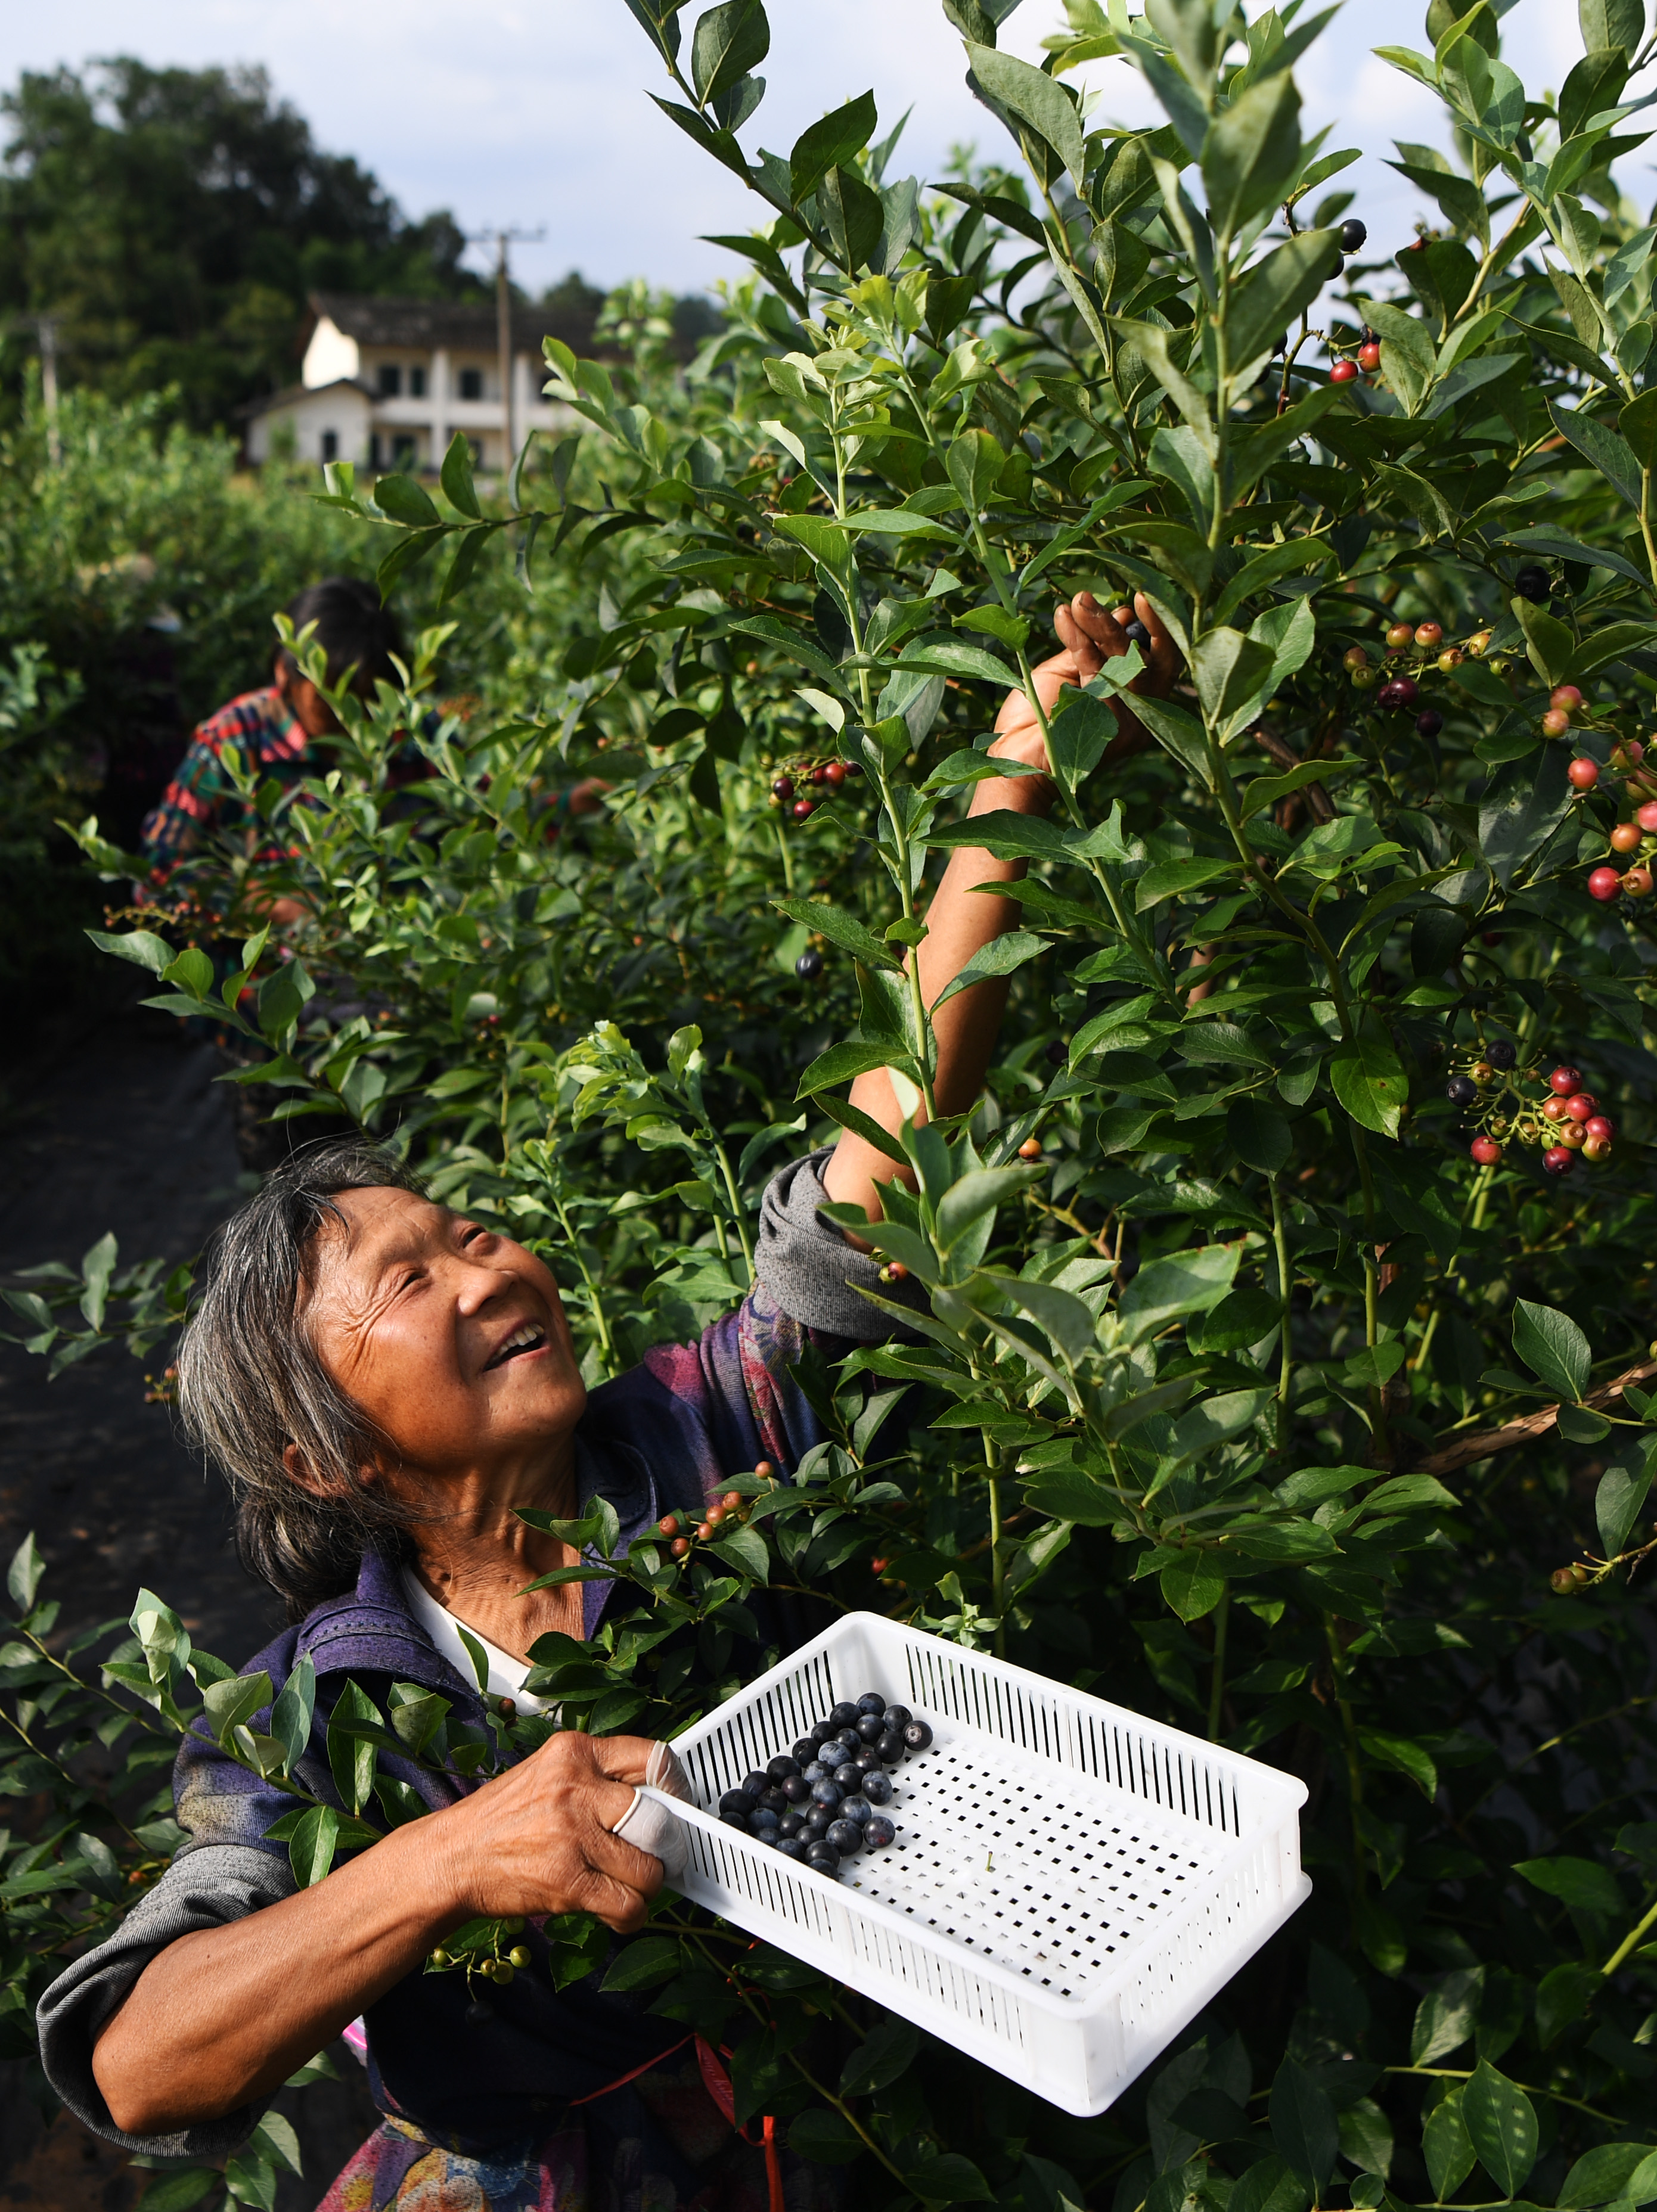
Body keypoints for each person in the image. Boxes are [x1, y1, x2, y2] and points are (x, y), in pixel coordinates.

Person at [39, 594, 1175, 2212]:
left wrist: (1027, 767)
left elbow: (904, 1113)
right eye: (412, 1283)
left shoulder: (722, 1427)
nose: (492, 1271)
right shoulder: (315, 1716)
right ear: (323, 1446)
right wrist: (436, 1861)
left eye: (474, 1233)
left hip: (859, 2130)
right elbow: (139, 2066)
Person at [138, 577, 406, 890]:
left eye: (367, 698)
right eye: (330, 695)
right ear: (284, 671)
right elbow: (160, 869)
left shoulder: (416, 738)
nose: (348, 713)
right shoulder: (235, 737)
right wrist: (260, 905)